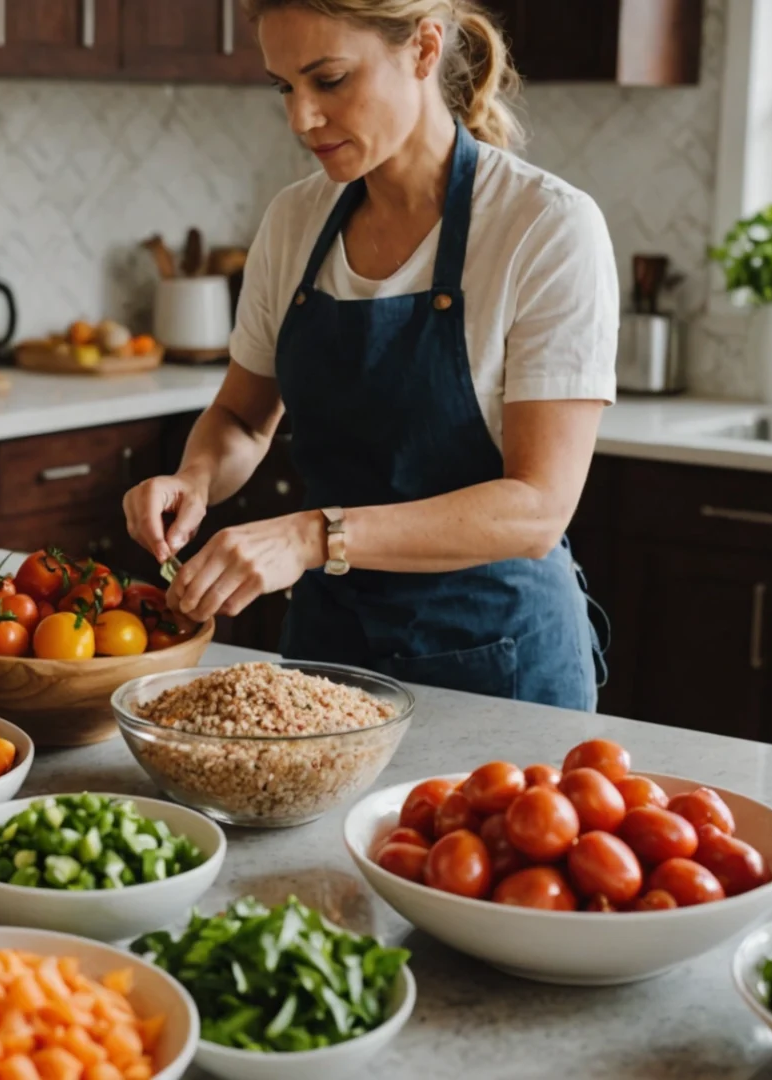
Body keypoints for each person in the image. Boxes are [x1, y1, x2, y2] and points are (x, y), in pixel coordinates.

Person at [123, 0, 616, 709]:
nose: (300, 119)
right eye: (283, 87)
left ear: (422, 49)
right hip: (329, 657)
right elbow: (240, 415)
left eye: (327, 80)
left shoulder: (543, 226)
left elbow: (536, 509)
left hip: (498, 663)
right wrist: (194, 479)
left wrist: (310, 538)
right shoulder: (294, 220)